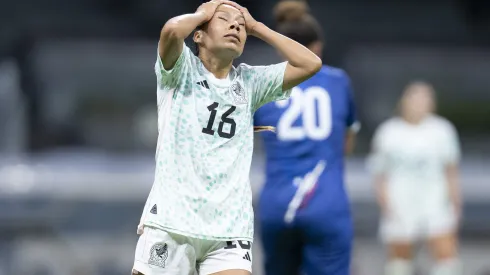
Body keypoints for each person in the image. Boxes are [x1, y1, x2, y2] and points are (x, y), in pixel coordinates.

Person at [131, 1, 322, 274]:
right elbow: (172, 30)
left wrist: (258, 28)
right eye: (223, 20)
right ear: (198, 35)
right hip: (172, 222)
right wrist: (203, 13)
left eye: (240, 24)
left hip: (229, 227)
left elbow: (310, 63)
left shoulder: (251, 83)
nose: (235, 25)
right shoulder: (181, 70)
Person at [253, 1, 360, 274]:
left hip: (276, 204)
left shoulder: (263, 85)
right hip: (326, 201)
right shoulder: (338, 81)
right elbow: (346, 142)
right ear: (318, 47)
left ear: (281, 47)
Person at [367, 81, 463, 275]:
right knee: (399, 263)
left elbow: (451, 171)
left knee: (446, 260)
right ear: (404, 101)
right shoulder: (389, 132)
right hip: (400, 203)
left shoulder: (442, 130)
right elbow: (379, 174)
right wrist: (386, 206)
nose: (420, 103)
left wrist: (456, 204)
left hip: (434, 202)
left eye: (426, 98)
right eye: (415, 98)